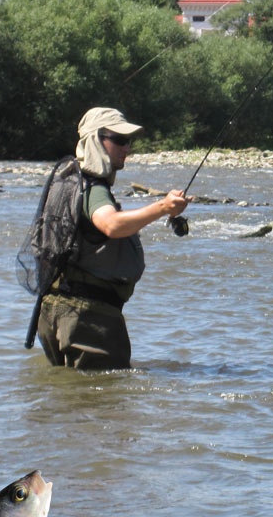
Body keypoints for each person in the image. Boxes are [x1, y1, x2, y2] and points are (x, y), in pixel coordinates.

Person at [36, 107, 188, 369]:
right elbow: (111, 225)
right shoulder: (93, 189)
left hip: (53, 312)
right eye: (119, 140)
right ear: (95, 140)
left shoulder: (66, 181)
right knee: (103, 404)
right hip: (88, 319)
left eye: (128, 141)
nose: (126, 147)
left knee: (70, 402)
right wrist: (163, 208)